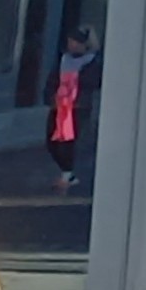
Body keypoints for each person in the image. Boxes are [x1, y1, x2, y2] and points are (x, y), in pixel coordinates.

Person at [48, 24, 103, 190]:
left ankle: (67, 175)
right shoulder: (64, 59)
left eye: (76, 42)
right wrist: (51, 95)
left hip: (77, 106)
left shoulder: (92, 61)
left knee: (67, 142)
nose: (72, 45)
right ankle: (67, 173)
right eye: (70, 41)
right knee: (51, 140)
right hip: (59, 104)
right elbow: (53, 79)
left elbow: (94, 82)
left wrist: (75, 83)